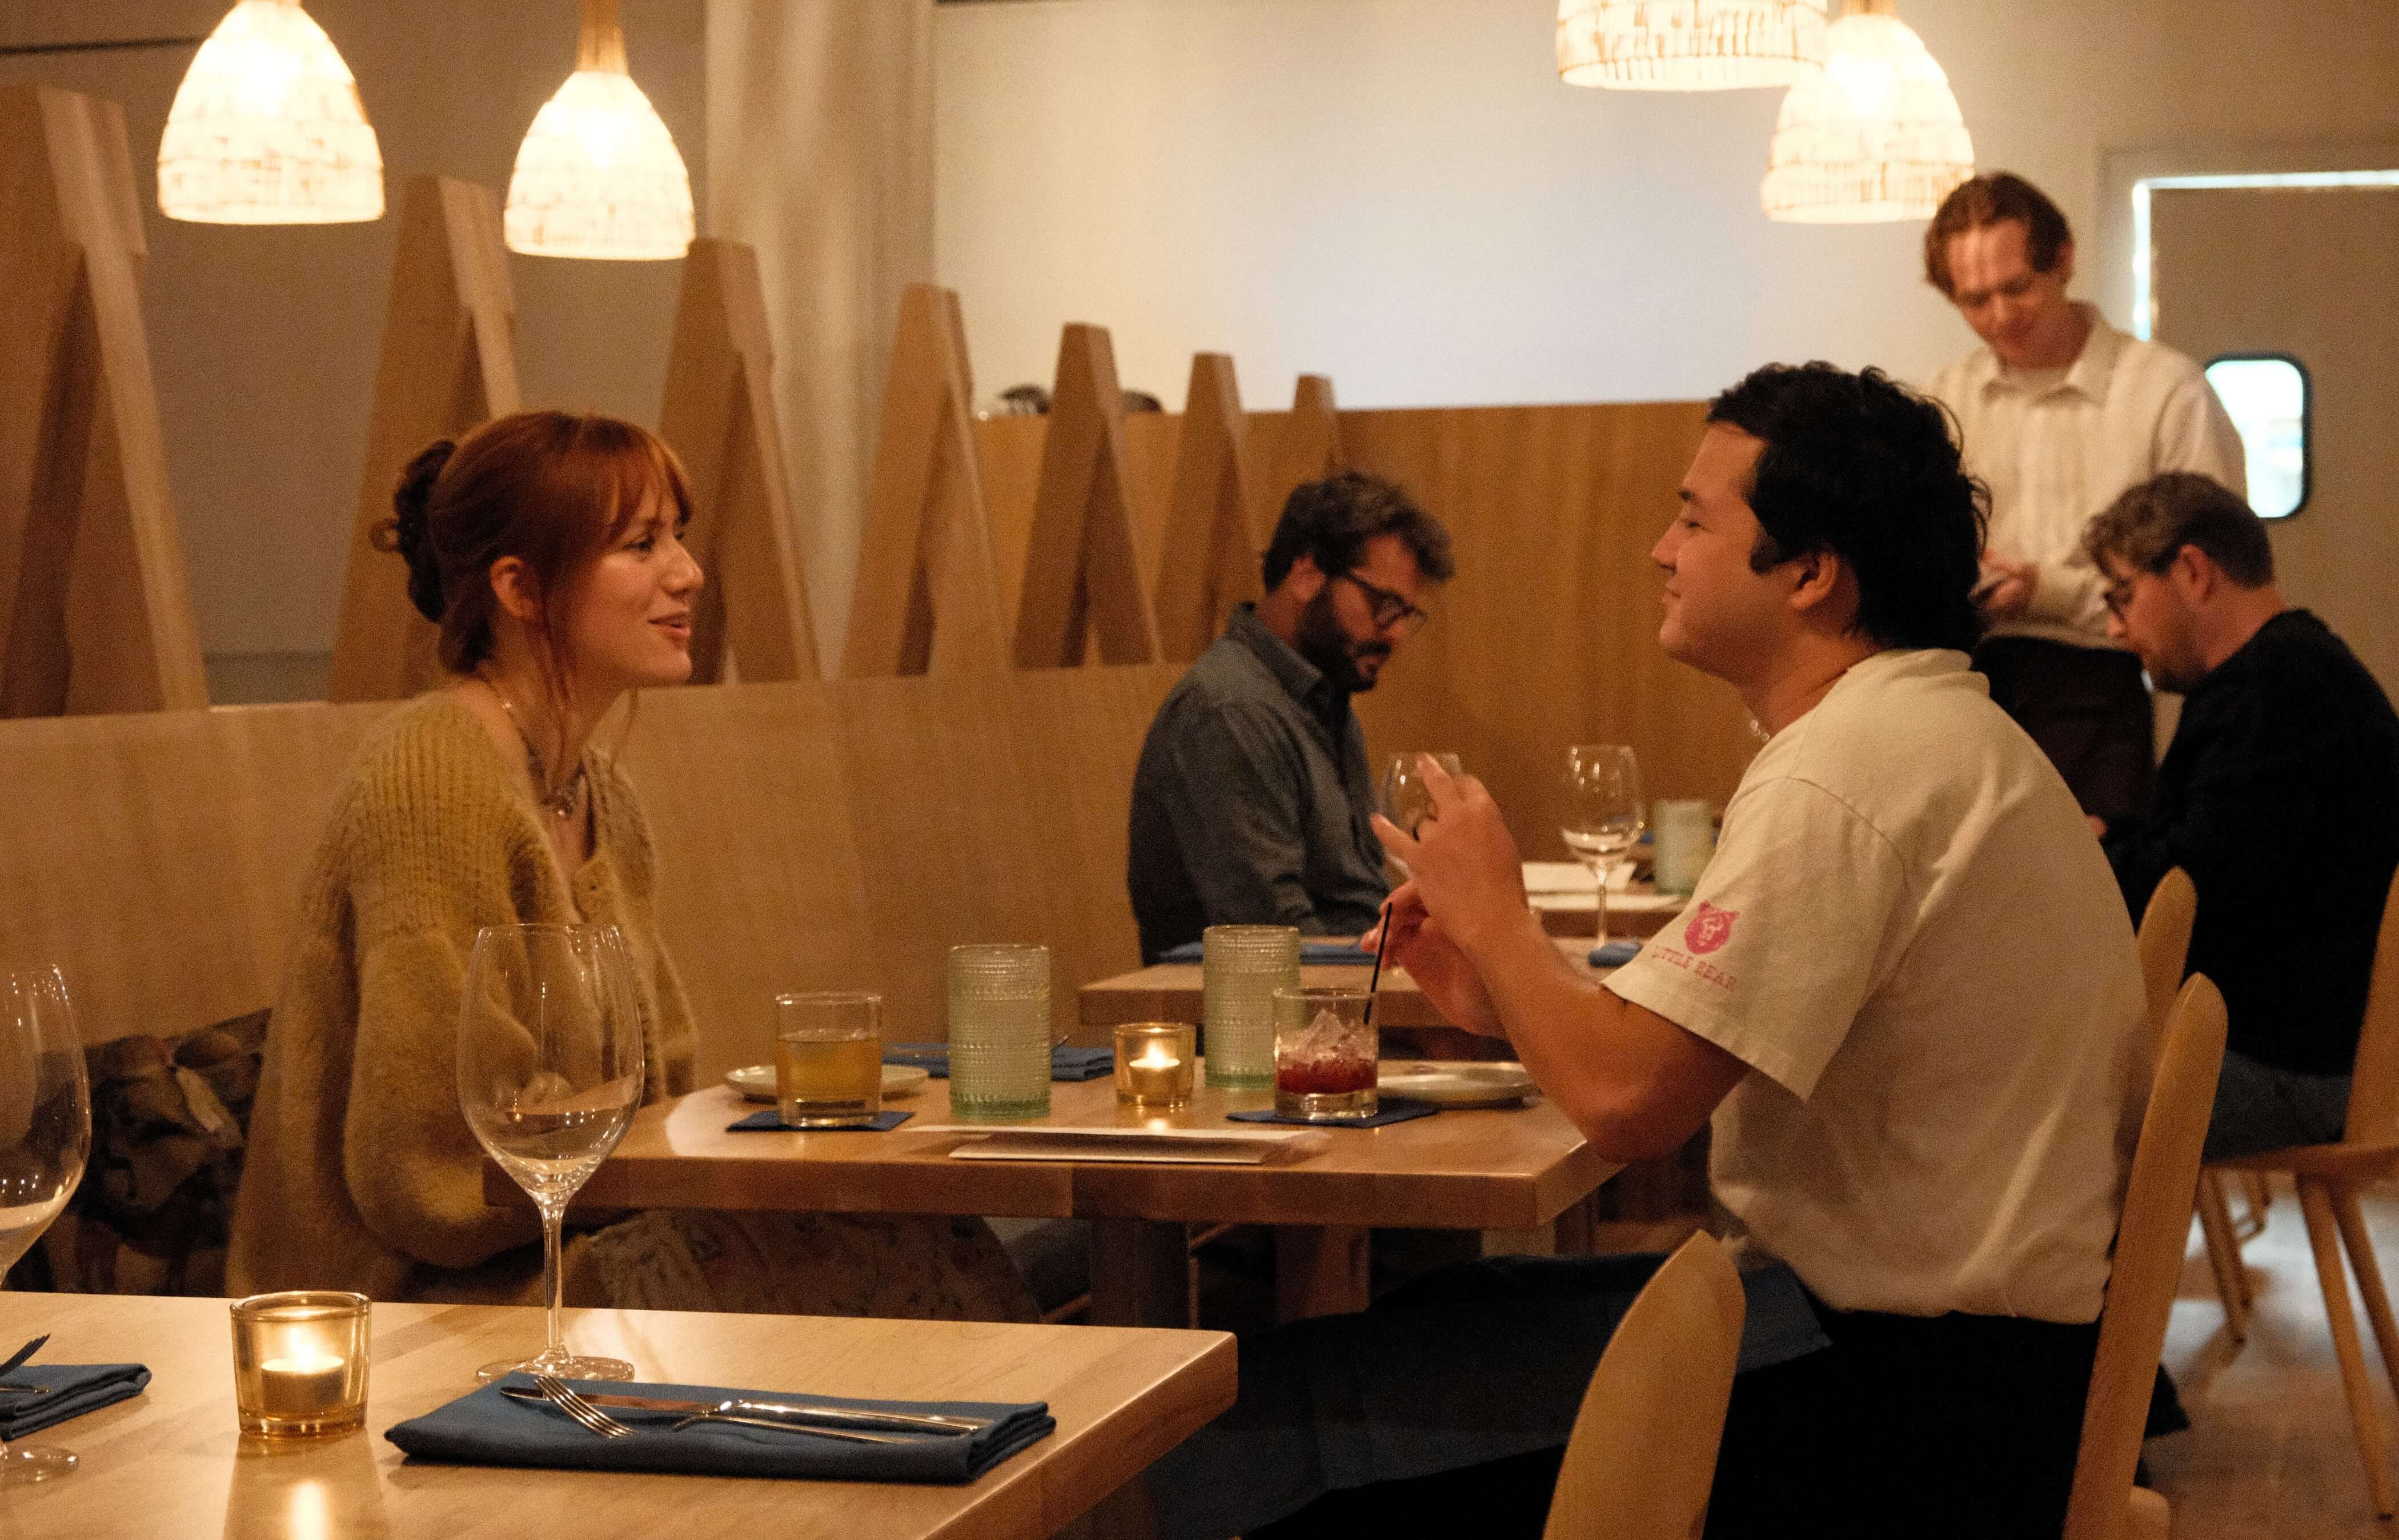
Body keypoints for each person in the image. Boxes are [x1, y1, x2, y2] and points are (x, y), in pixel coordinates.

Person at [1151, 364, 2151, 1539]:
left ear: (1812, 572)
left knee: (1275, 1413)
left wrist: (1506, 921)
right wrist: (1506, 988)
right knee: (1447, 1308)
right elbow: (1656, 1052)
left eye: (1693, 517)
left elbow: (1631, 1101)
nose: (1660, 549)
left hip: (1904, 1408)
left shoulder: (1855, 767)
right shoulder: (1922, 731)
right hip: (1941, 1357)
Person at [228, 411, 1033, 1321]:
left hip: (573, 1244)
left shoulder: (601, 794)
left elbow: (656, 1085)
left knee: (915, 1225)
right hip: (415, 1305)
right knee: (881, 1260)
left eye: (677, 538)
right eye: (641, 544)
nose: (687, 573)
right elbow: (432, 1166)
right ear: (521, 588)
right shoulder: (431, 774)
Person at [2088, 471, 2399, 1158]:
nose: (2115, 628)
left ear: (2193, 571)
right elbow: (2223, 841)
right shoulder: (2285, 675)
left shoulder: (2282, 689)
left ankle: (2106, 1271)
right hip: (2287, 1045)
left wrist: (2077, 860)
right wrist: (2115, 837)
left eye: (2123, 595)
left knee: (2036, 1103)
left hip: (2293, 1066)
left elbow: (2193, 889)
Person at [1922, 171, 2247, 827]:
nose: (2001, 317)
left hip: (2104, 687)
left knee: (2098, 902)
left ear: (2063, 258)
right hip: (1971, 683)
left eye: (2018, 288)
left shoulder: (2163, 390)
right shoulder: (1945, 399)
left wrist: (2046, 589)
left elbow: (2206, 581)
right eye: (1974, 300)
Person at [1126, 471, 1455, 961]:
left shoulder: (1320, 698)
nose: (1396, 635)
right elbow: (1279, 944)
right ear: (1306, 573)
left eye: (1407, 614)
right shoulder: (1231, 712)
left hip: (1342, 997)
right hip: (1251, 1026)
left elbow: (1358, 906)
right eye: (1386, 606)